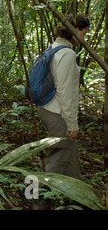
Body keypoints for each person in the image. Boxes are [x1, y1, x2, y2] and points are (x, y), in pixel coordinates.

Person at [38, 14, 90, 181]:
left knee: (69, 155)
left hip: (48, 109)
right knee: (57, 158)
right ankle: (37, 199)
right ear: (76, 30)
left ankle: (78, 195)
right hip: (58, 113)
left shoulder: (53, 48)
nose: (84, 37)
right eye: (84, 33)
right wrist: (71, 122)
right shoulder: (67, 54)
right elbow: (65, 91)